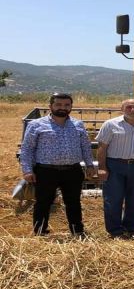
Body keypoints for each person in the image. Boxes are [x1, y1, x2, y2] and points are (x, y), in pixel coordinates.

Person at [20, 92, 96, 237]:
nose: (63, 107)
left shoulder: (78, 124)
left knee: (73, 202)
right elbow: (27, 148)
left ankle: (77, 231)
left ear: (71, 107)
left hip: (73, 171)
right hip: (45, 171)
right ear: (50, 106)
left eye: (67, 105)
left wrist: (90, 165)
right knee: (43, 202)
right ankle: (40, 232)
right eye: (58, 104)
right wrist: (27, 170)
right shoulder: (36, 125)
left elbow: (85, 146)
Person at [96, 99, 134, 239]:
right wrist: (102, 168)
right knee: (113, 199)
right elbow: (102, 147)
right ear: (122, 108)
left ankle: (131, 228)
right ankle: (115, 231)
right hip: (115, 165)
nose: (133, 110)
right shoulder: (110, 124)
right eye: (129, 107)